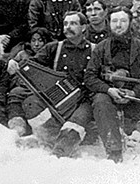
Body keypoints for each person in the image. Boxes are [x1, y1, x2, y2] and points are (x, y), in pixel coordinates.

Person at [84, 7, 140, 164]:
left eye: (123, 21)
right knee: (100, 102)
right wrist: (109, 90)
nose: (119, 25)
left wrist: (134, 93)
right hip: (109, 95)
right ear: (109, 23)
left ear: (130, 23)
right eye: (115, 21)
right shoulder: (100, 48)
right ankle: (114, 150)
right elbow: (90, 77)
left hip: (134, 95)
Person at [9, 11, 95, 157]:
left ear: (84, 27)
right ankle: (47, 138)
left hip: (84, 99)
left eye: (73, 23)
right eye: (66, 24)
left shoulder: (96, 49)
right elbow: (31, 64)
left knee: (75, 124)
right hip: (57, 97)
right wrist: (14, 62)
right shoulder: (54, 48)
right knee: (31, 103)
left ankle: (59, 153)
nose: (68, 27)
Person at [5, 27, 54, 136]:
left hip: (43, 88)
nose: (36, 44)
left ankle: (40, 130)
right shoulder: (22, 54)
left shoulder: (51, 54)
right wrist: (12, 62)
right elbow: (13, 70)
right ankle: (17, 124)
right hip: (24, 86)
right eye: (33, 41)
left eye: (40, 40)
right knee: (14, 94)